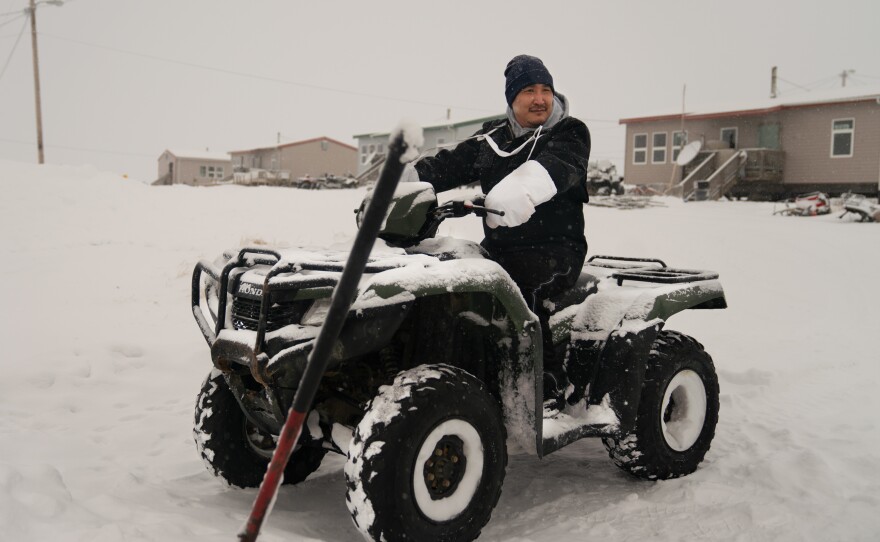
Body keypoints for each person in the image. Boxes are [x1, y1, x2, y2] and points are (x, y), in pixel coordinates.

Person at [403, 54, 591, 405]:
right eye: (529, 90)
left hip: (557, 250)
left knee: (520, 285)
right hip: (501, 248)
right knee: (449, 278)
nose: (539, 98)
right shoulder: (493, 137)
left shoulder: (569, 132)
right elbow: (451, 163)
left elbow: (557, 167)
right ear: (512, 98)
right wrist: (405, 179)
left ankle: (546, 382)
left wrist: (518, 192)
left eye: (545, 90)